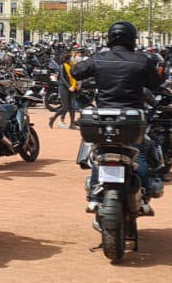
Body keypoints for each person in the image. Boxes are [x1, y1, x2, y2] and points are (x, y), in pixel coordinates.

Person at [69, 21, 165, 211]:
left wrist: (87, 64)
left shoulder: (100, 58)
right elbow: (156, 84)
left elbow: (76, 71)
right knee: (139, 152)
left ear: (110, 38)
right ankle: (143, 195)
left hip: (103, 119)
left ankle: (95, 194)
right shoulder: (141, 60)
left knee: (100, 152)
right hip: (132, 118)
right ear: (132, 38)